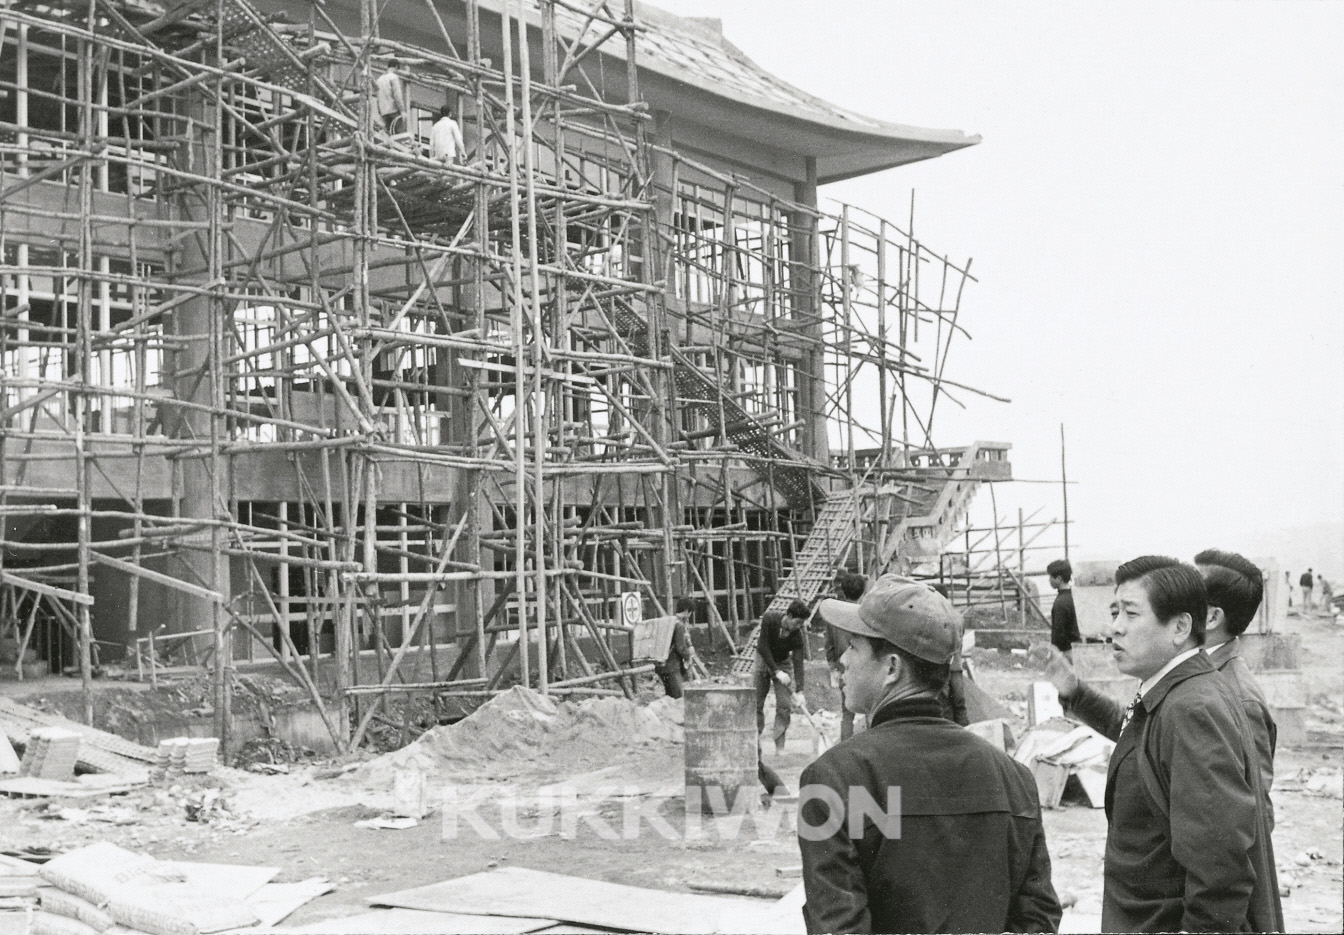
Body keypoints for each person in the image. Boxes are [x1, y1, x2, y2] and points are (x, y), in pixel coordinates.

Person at [801, 576, 1061, 934]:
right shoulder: (1014, 778)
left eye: (854, 647)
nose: (843, 660)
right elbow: (1039, 921)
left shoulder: (833, 778)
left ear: (891, 668)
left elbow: (836, 926)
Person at [1044, 556, 1277, 933]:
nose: (1114, 628)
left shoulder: (1193, 708)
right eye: (1115, 612)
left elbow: (1220, 870)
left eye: (1131, 615)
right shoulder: (1174, 692)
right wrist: (1077, 693)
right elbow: (1141, 736)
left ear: (1181, 626)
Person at [754, 601, 808, 755]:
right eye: (798, 622)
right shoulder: (770, 619)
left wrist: (800, 690)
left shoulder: (797, 636)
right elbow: (763, 646)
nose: (799, 626)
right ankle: (754, 743)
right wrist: (776, 671)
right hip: (762, 659)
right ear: (789, 616)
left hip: (783, 663)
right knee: (756, 703)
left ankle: (779, 746)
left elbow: (798, 663)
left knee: (784, 706)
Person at [823, 573, 866, 740]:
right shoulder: (865, 614)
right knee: (870, 711)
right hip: (866, 668)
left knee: (847, 714)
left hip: (844, 670)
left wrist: (833, 667)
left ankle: (845, 748)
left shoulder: (835, 616)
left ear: (843, 591)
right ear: (862, 592)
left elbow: (829, 645)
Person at [655, 597, 696, 700]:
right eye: (690, 612)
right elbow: (681, 648)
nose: (690, 616)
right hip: (672, 667)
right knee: (678, 699)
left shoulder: (669, 621)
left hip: (661, 667)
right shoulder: (679, 625)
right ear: (687, 611)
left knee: (669, 698)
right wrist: (689, 654)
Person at [1047, 558, 1081, 654]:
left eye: (1051, 577)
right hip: (1078, 648)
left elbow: (1058, 634)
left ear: (1059, 579)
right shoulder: (1075, 597)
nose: (1049, 580)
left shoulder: (1060, 603)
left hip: (1067, 652)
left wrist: (1054, 651)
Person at [373, 62, 406, 134]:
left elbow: (378, 98)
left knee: (387, 135)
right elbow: (397, 95)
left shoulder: (379, 80)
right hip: (393, 111)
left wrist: (380, 112)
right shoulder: (394, 77)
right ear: (396, 67)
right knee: (399, 136)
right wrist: (402, 110)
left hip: (384, 113)